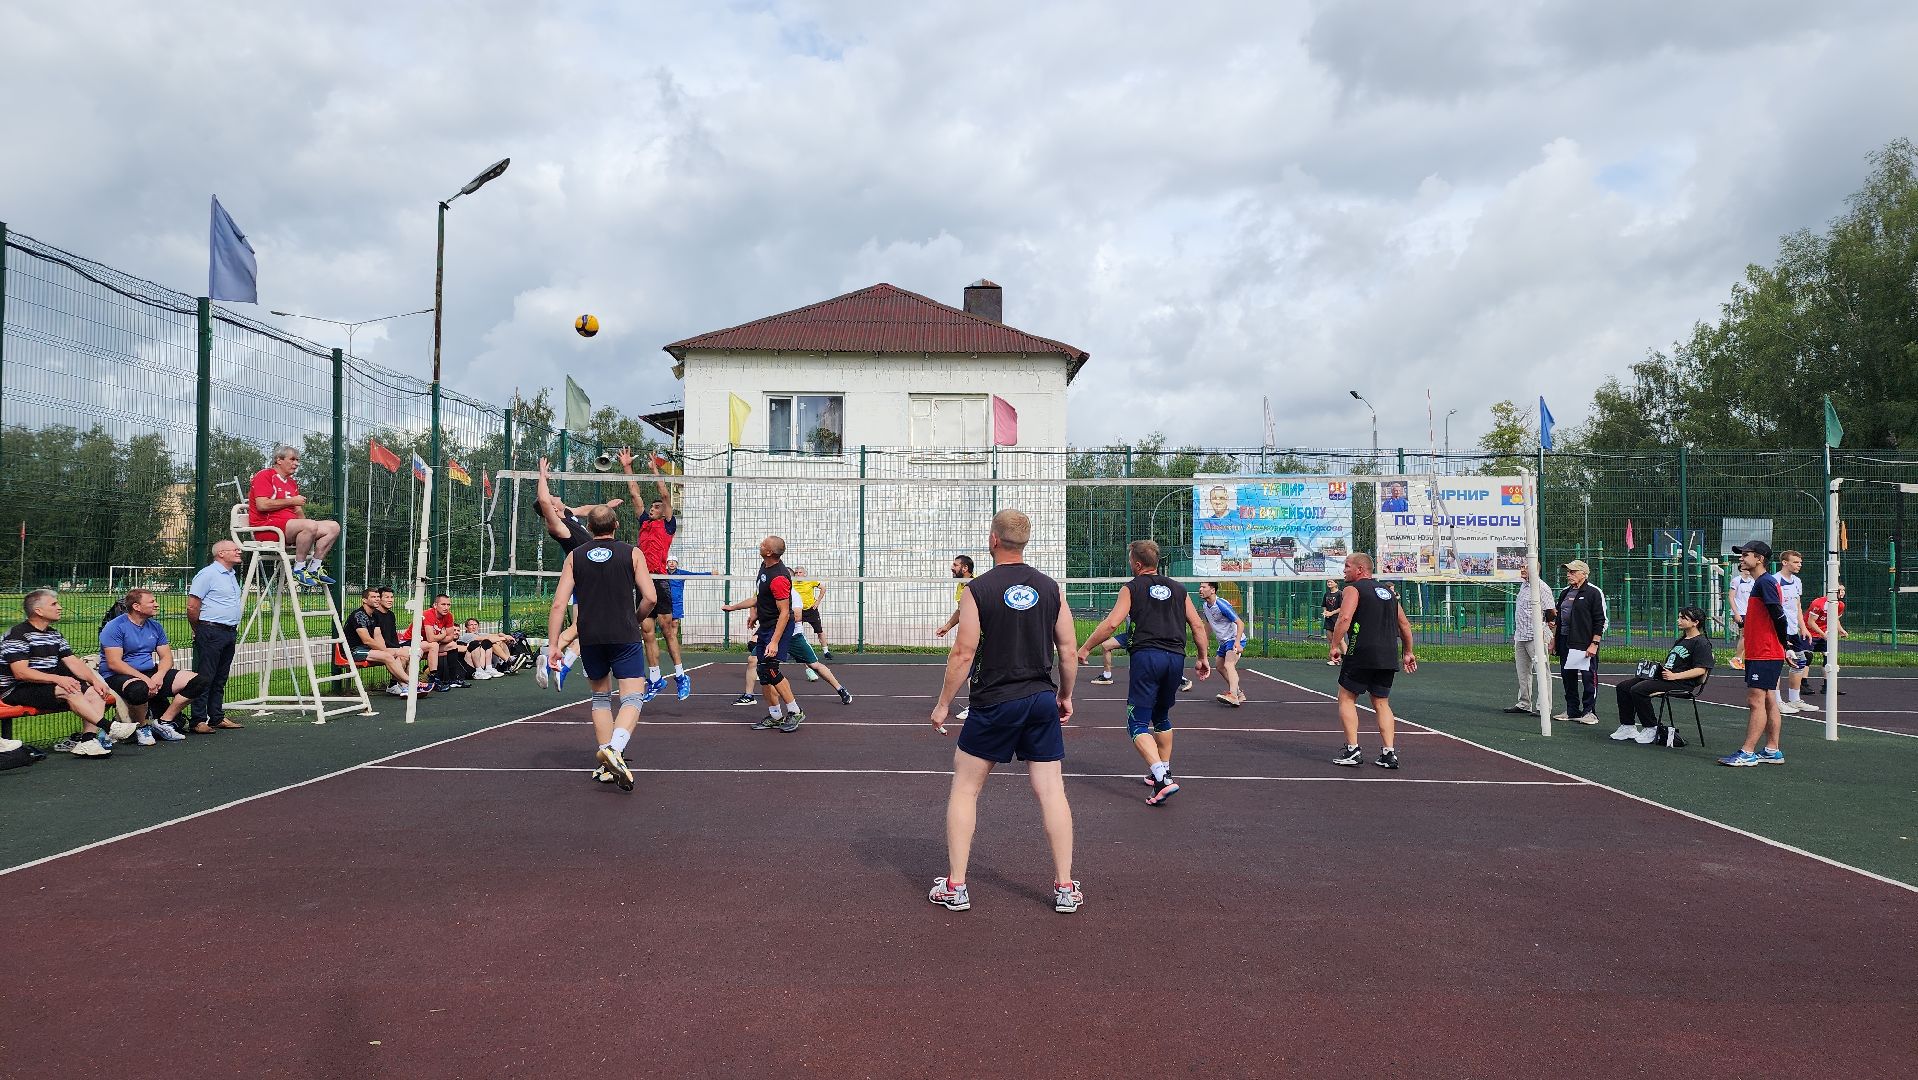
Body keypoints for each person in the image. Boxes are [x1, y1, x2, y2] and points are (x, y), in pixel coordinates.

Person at [929, 509, 1083, 914]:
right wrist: (1065, 694)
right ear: (1024, 542)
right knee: (1052, 791)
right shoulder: (1051, 588)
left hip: (994, 701)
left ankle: (956, 885)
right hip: (1039, 699)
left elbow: (963, 652)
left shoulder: (977, 590)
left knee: (966, 787)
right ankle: (1065, 887)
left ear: (994, 539)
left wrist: (945, 703)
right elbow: (1067, 650)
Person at [1080, 540, 1211, 805]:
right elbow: (1197, 626)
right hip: (1175, 657)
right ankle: (1164, 768)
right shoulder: (1179, 589)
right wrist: (1202, 657)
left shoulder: (1131, 588)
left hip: (1147, 656)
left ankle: (1162, 778)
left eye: (1130, 560)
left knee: (1137, 722)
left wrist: (1085, 648)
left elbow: (1112, 623)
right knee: (1161, 715)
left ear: (1137, 564)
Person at [548, 504, 657, 791]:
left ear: (590, 529)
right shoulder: (632, 553)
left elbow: (559, 603)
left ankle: (606, 763)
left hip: (590, 635)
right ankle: (615, 749)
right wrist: (635, 619)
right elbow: (650, 598)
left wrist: (553, 645)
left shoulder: (575, 555)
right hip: (624, 633)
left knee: (600, 699)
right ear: (616, 525)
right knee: (633, 697)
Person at [1, 590, 118, 757]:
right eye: (54, 604)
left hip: (46, 686)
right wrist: (59, 679)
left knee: (95, 691)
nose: (60, 607)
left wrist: (95, 680)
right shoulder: (17, 635)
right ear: (38, 611)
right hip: (16, 690)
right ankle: (109, 727)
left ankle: (87, 741)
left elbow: (73, 661)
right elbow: (21, 673)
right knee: (69, 689)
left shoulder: (54, 634)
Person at [1327, 553, 1417, 768]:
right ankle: (1389, 753)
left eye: (1347, 566)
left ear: (1360, 569)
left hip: (1362, 651)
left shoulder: (1353, 589)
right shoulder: (1387, 591)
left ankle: (1352, 750)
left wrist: (1334, 645)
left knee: (1346, 697)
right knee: (1381, 702)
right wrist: (1408, 652)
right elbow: (1404, 624)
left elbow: (1345, 617)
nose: (1344, 570)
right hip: (1387, 654)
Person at [622, 449, 689, 702]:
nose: (652, 508)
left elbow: (663, 494)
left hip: (660, 580)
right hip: (642, 580)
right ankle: (655, 678)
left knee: (667, 629)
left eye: (657, 507)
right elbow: (635, 494)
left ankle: (681, 675)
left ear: (664, 511)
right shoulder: (645, 523)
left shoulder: (667, 524)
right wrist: (628, 468)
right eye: (651, 507)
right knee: (646, 631)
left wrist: (655, 469)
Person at [720, 535, 807, 733]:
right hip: (767, 625)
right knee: (763, 671)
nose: (760, 545)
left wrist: (774, 642)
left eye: (763, 544)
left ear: (770, 552)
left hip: (780, 626)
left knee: (771, 668)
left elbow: (785, 612)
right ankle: (775, 715)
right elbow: (759, 598)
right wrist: (737, 609)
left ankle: (795, 711)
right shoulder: (764, 567)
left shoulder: (778, 577)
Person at [98, 589, 204, 744]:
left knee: (198, 681)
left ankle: (163, 722)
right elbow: (114, 663)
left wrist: (159, 675)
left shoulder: (155, 626)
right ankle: (142, 728)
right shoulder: (115, 627)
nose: (157, 605)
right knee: (139, 689)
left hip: (149, 672)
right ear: (136, 606)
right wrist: (145, 679)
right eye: (152, 602)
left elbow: (167, 657)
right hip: (117, 675)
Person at [1721, 540, 1791, 766]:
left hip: (1765, 652)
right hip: (1762, 651)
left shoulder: (1765, 583)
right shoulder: (1761, 582)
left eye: (1746, 554)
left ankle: (1748, 752)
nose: (1741, 558)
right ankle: (1772, 750)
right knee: (1769, 699)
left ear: (1759, 559)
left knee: (1756, 700)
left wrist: (1785, 645)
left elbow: (1778, 615)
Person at [1610, 606, 1714, 744]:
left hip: (1681, 682)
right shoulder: (1681, 640)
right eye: (1679, 617)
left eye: (1683, 618)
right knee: (1623, 687)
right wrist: (1655, 669)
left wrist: (1675, 676)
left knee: (1638, 689)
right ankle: (1628, 726)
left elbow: (1701, 670)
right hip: (1666, 677)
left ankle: (1651, 727)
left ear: (1695, 622)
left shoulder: (1701, 643)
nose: (1679, 620)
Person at [248, 445, 341, 588]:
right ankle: (299, 569)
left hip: (287, 527)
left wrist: (309, 530)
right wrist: (292, 502)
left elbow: (297, 511)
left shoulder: (292, 482)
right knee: (309, 525)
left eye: (298, 460)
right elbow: (262, 505)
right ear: (279, 460)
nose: (296, 463)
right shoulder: (264, 475)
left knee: (333, 527)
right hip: (267, 527)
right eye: (292, 459)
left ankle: (315, 567)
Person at [186, 539, 246, 734]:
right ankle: (198, 719)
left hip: (228, 632)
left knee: (220, 676)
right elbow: (192, 606)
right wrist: (199, 629)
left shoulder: (231, 575)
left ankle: (216, 716)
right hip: (211, 631)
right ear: (221, 553)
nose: (239, 551)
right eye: (234, 549)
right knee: (205, 676)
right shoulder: (207, 574)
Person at [1552, 560, 1606, 724]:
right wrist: (1554, 640)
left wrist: (1594, 643)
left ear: (1584, 573)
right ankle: (1572, 710)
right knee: (1568, 677)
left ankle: (1589, 712)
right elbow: (1559, 618)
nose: (1569, 574)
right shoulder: (1564, 593)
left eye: (1573, 571)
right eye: (1568, 572)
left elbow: (1600, 620)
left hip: (1584, 643)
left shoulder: (1594, 592)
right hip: (1565, 641)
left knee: (1589, 677)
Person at [349, 588, 423, 697]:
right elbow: (367, 640)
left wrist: (393, 651)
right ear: (364, 600)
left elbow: (378, 638)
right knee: (388, 656)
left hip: (368, 650)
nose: (377, 599)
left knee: (408, 653)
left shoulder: (374, 616)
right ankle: (413, 684)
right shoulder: (359, 615)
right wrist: (392, 651)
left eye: (378, 597)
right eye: (373, 597)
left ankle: (403, 686)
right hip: (354, 650)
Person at [932, 554, 975, 720]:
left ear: (965, 568)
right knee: (972, 670)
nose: (952, 567)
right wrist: (948, 626)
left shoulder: (974, 584)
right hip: (972, 634)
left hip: (979, 635)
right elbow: (960, 610)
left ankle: (975, 707)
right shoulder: (961, 585)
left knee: (969, 669)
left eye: (955, 565)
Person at [379, 586, 443, 692]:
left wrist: (397, 647)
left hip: (392, 646)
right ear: (379, 599)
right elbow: (377, 639)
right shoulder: (375, 615)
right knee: (406, 653)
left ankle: (397, 684)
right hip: (380, 648)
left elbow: (392, 636)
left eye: (392, 597)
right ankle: (409, 684)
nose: (390, 600)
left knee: (410, 653)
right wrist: (397, 649)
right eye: (386, 597)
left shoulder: (391, 615)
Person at [1504, 563, 1548, 716]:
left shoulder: (1542, 587)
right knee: (1523, 672)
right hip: (1521, 636)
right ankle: (1524, 703)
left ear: (1535, 570)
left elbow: (1551, 612)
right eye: (1521, 566)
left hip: (1535, 636)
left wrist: (1546, 632)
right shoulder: (1524, 586)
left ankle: (1543, 707)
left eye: (1526, 567)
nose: (1522, 569)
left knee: (1542, 672)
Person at [1775, 549, 1811, 714]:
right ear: (1785, 562)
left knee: (1800, 662)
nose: (1799, 565)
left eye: (1800, 562)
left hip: (1793, 630)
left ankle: (1795, 700)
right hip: (1777, 630)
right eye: (1796, 562)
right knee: (1775, 664)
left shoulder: (1797, 581)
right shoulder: (1774, 580)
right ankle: (1777, 702)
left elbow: (1797, 605)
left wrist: (1803, 627)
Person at [1198, 582, 1245, 706]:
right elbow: (1208, 624)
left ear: (1212, 590)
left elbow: (1240, 623)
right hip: (1224, 641)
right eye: (1200, 586)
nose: (1200, 589)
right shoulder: (1205, 605)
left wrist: (1237, 642)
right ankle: (1239, 693)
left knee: (1229, 665)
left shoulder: (1221, 605)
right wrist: (1205, 641)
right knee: (1219, 666)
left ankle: (1233, 695)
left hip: (1233, 639)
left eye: (1203, 587)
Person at [1805, 583, 1848, 695]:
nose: (1842, 592)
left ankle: (1827, 686)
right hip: (1810, 632)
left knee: (1829, 657)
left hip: (1824, 633)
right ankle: (1803, 684)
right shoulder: (1819, 603)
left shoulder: (1840, 605)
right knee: (1807, 657)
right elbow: (1810, 622)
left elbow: (1835, 619)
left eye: (1843, 590)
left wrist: (1841, 630)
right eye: (1840, 590)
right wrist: (1821, 633)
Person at [422, 594, 470, 689]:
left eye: (448, 605)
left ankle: (452, 679)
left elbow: (450, 637)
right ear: (435, 605)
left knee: (452, 645)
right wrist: (443, 635)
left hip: (432, 645)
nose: (446, 607)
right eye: (443, 604)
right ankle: (433, 679)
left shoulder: (449, 616)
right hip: (415, 643)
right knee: (434, 644)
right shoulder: (428, 614)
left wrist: (439, 637)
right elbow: (430, 638)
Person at [792, 566, 832, 660]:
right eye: (796, 573)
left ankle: (826, 652)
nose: (798, 574)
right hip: (798, 611)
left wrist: (817, 602)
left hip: (811, 610)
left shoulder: (810, 581)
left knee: (819, 631)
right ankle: (794, 652)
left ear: (804, 574)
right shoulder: (792, 583)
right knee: (795, 632)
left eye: (800, 572)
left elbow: (823, 588)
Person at [1726, 561, 1755, 670]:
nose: (1748, 570)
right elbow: (1731, 597)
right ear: (1741, 569)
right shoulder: (1736, 581)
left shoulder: (1752, 582)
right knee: (1744, 635)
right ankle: (1737, 658)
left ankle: (1740, 660)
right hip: (1741, 612)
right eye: (1746, 568)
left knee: (1748, 636)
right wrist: (1736, 613)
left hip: (1750, 612)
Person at [1320, 578, 1342, 663]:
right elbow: (1324, 605)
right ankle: (1335, 657)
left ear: (1336, 583)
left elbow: (1341, 608)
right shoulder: (1326, 594)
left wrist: (1331, 613)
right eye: (1328, 582)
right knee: (1330, 640)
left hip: (1337, 619)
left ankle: (1342, 658)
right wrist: (1325, 612)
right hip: (1329, 620)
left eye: (1331, 582)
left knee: (1338, 641)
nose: (1329, 583)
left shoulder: (1340, 594)